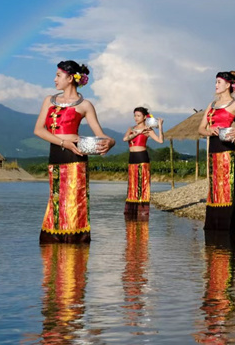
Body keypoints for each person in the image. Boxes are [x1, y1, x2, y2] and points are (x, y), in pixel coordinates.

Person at [33, 60, 115, 243]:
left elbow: (101, 135)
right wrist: (64, 142)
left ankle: (74, 249)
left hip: (76, 157)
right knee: (56, 201)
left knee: (74, 202)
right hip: (56, 156)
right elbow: (38, 130)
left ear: (70, 78)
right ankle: (53, 251)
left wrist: (111, 142)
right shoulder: (49, 100)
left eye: (58, 75)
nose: (54, 79)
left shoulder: (85, 105)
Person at [197, 71, 235, 231]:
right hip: (213, 149)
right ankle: (213, 225)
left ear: (228, 85)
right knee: (214, 186)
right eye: (215, 82)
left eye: (218, 82)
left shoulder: (234, 105)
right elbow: (201, 128)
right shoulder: (211, 105)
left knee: (226, 185)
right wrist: (209, 131)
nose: (216, 85)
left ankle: (226, 226)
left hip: (226, 150)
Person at [122, 106, 164, 220]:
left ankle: (142, 212)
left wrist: (160, 127)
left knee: (142, 184)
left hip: (142, 157)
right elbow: (125, 139)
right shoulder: (131, 128)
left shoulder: (148, 130)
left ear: (145, 117)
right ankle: (132, 213)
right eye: (135, 116)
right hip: (132, 158)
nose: (136, 118)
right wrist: (137, 133)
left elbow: (160, 141)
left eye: (138, 116)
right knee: (132, 185)